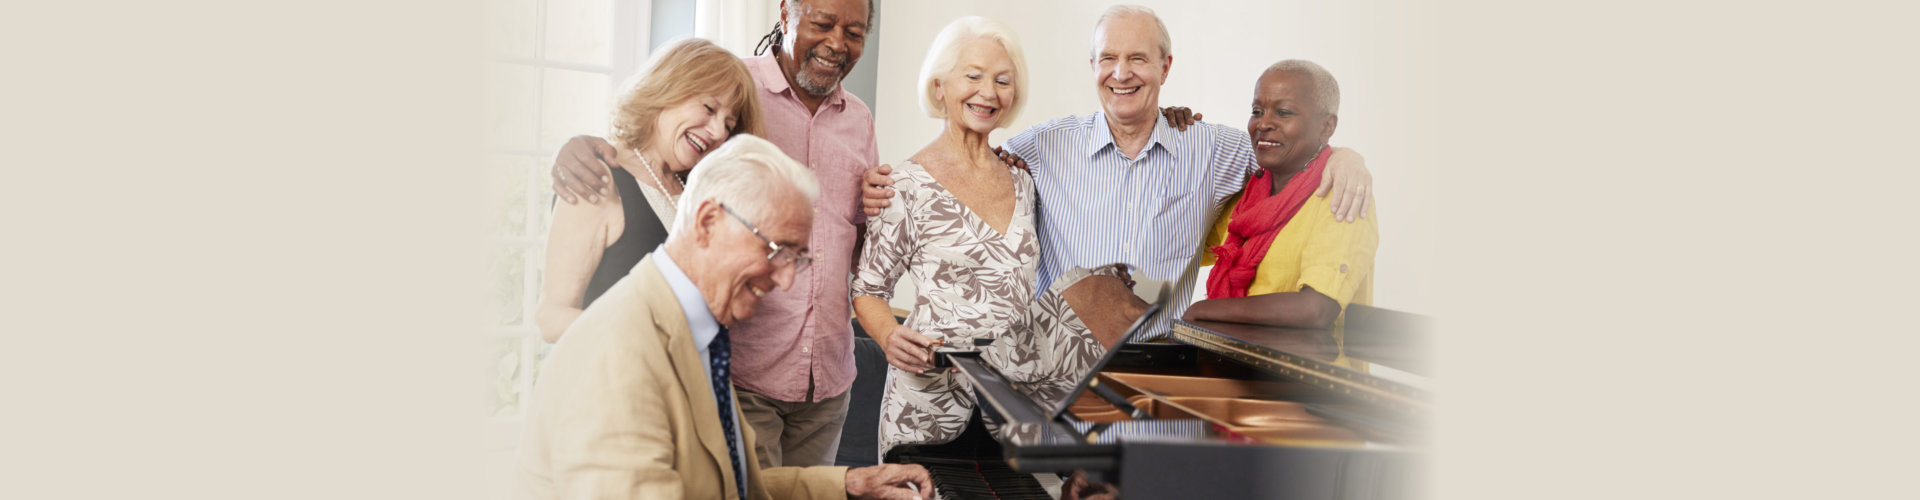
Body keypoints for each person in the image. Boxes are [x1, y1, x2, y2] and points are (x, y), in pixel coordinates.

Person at [860, 5, 1376, 356]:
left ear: (1164, 66)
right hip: (1054, 379)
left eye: (1137, 59)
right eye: (1108, 58)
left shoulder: (1213, 148)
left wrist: (1347, 157)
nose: (1121, 73)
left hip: (1161, 378)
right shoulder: (1042, 146)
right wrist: (886, 184)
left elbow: (1287, 153)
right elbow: (969, 162)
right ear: (1092, 65)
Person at [547, 0, 879, 469]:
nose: (836, 43)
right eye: (822, 24)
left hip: (825, 379)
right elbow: (646, 143)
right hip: (738, 374)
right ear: (786, 14)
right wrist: (576, 148)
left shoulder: (859, 120)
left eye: (854, 32)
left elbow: (852, 240)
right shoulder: (735, 86)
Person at [516, 135, 931, 500]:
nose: (786, 279)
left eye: (797, 258)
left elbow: (731, 486)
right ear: (708, 222)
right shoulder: (618, 356)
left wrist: (851, 485)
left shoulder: (698, 333)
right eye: (776, 250)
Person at [848, 16, 1054, 458]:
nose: (989, 92)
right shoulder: (902, 185)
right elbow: (868, 290)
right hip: (928, 403)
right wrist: (889, 337)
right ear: (940, 86)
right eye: (973, 76)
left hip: (1013, 408)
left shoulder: (1024, 182)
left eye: (1002, 80)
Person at [534, 38, 761, 344]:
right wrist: (647, 334)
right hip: (614, 386)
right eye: (709, 108)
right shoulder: (598, 177)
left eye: (729, 124)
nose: (719, 132)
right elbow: (552, 318)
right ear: (667, 88)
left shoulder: (696, 197)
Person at [1184, 60, 1377, 329]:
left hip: (1309, 368)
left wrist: (1203, 310)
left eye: (1284, 112)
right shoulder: (1245, 199)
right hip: (1233, 364)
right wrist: (1175, 138)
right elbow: (1178, 246)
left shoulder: (1343, 195)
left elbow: (1316, 309)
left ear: (1326, 127)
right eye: (1257, 111)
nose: (1264, 124)